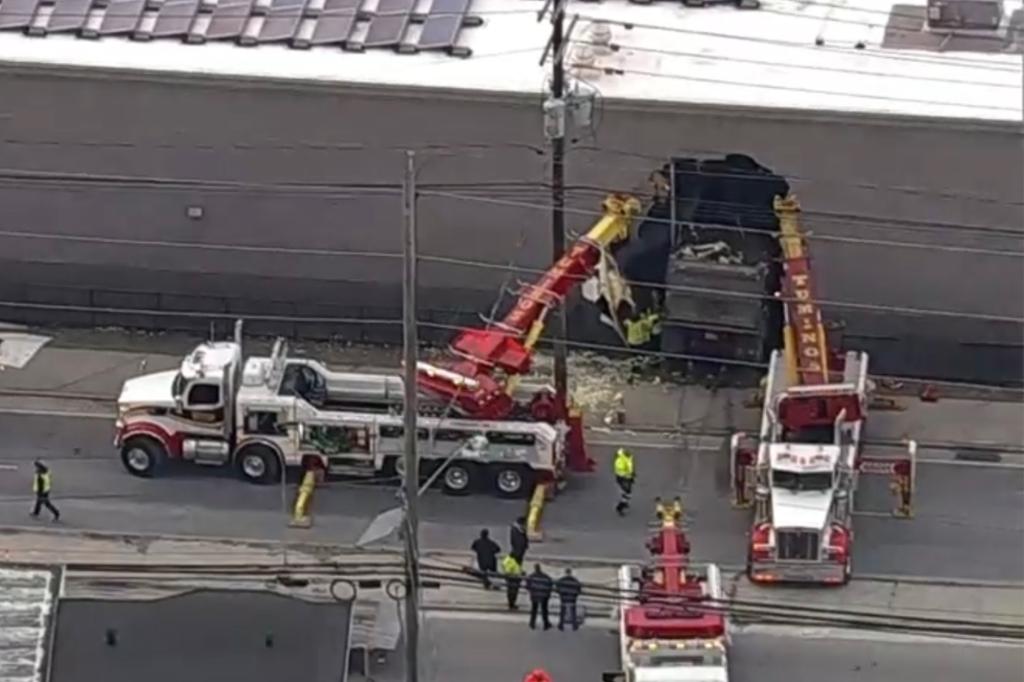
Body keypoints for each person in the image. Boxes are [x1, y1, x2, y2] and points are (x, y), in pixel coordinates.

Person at [525, 564, 553, 630]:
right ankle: (546, 624)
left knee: (534, 610)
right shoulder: (545, 576)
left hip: (534, 595)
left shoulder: (531, 576)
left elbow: (527, 586)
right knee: (544, 610)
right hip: (544, 595)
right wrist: (548, 592)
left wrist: (532, 590)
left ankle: (532, 623)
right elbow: (550, 583)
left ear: (534, 568)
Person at [613, 448, 635, 516]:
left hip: (627, 478)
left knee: (628, 492)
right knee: (627, 494)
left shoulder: (627, 459)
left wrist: (631, 474)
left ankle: (624, 502)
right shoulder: (620, 461)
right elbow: (620, 472)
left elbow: (629, 467)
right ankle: (620, 508)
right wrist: (628, 474)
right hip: (623, 479)